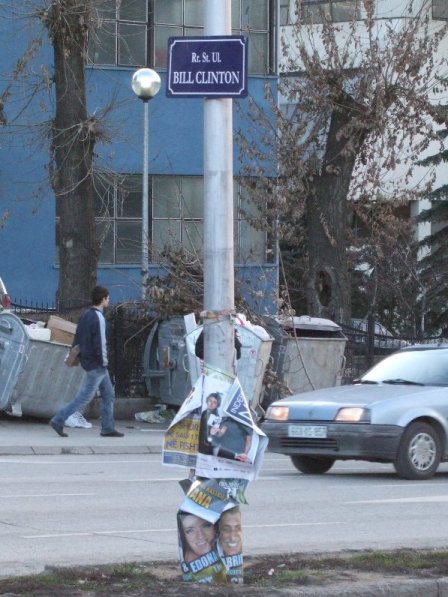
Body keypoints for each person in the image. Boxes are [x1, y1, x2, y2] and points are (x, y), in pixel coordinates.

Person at [49, 285, 124, 438]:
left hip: (89, 361)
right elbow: (100, 343)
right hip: (98, 364)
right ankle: (58, 419)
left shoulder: (85, 315)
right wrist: (104, 362)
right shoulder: (99, 317)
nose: (109, 301)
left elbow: (77, 338)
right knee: (85, 396)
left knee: (108, 394)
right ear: (103, 299)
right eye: (108, 298)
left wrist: (75, 355)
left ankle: (108, 428)